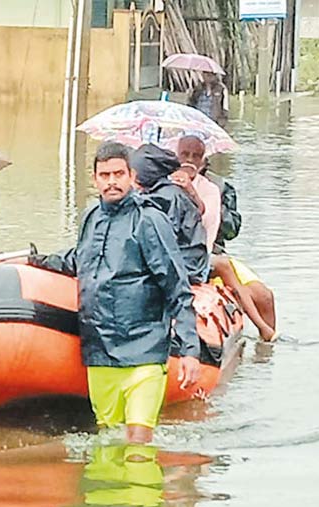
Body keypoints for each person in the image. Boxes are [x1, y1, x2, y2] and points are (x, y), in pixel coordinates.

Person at [28, 142, 201, 444]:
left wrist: (188, 350)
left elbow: (177, 286)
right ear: (94, 179)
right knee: (108, 443)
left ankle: (145, 488)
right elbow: (79, 260)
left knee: (137, 444)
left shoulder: (150, 219)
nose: (112, 181)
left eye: (118, 174)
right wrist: (37, 261)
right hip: (100, 352)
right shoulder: (91, 217)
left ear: (132, 176)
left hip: (144, 349)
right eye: (104, 175)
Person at [173, 136, 278, 341]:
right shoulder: (162, 183)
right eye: (185, 154)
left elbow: (230, 230)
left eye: (196, 156)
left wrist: (209, 204)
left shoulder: (218, 187)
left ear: (204, 160)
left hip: (214, 250)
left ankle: (266, 344)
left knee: (264, 296)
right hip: (180, 254)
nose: (190, 160)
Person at [130, 143, 210, 284]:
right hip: (183, 261)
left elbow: (163, 243)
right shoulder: (160, 192)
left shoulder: (167, 198)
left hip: (187, 266)